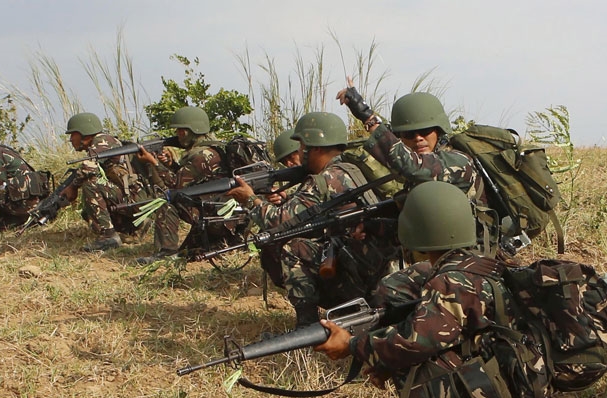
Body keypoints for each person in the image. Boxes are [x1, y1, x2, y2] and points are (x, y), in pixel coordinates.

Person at [314, 180, 555, 398]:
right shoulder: (489, 264)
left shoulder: (450, 281)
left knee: (418, 360)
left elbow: (415, 342)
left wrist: (354, 345)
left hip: (505, 397)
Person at [228, 112, 396, 324]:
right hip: (380, 268)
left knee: (292, 248)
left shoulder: (324, 179)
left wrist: (250, 199)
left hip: (360, 274)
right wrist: (288, 198)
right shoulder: (352, 169)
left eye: (301, 146)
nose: (298, 152)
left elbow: (278, 222)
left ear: (314, 147)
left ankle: (306, 326)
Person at [337, 82, 480, 195]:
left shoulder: (458, 161)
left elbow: (412, 165)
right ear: (400, 138)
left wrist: (367, 117)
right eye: (409, 134)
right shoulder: (416, 172)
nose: (418, 138)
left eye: (425, 131)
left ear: (439, 131)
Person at [136, 106, 228, 264]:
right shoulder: (210, 150)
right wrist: (170, 164)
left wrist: (154, 163)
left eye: (182, 131)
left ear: (194, 130)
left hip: (212, 212)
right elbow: (189, 179)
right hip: (218, 210)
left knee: (165, 200)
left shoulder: (202, 155)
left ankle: (166, 252)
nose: (178, 135)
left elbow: (175, 185)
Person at [61, 112, 152, 251]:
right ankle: (133, 228)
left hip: (135, 199)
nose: (71, 139)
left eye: (73, 134)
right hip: (135, 199)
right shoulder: (107, 142)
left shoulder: (102, 141)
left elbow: (88, 167)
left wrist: (72, 188)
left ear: (84, 132)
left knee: (90, 184)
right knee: (88, 211)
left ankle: (108, 237)